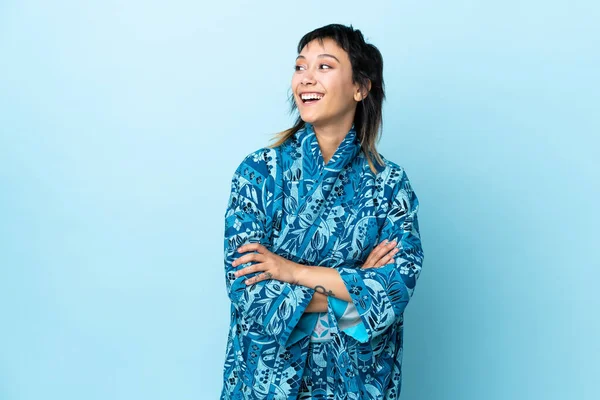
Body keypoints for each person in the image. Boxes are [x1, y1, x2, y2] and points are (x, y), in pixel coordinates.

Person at [220, 23, 424, 400]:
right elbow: (248, 288)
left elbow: (393, 291)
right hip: (266, 381)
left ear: (361, 88)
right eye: (300, 67)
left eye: (324, 66)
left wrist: (290, 271)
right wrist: (353, 282)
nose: (306, 79)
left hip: (353, 383)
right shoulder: (259, 173)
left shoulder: (390, 184)